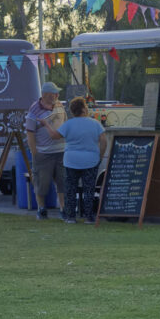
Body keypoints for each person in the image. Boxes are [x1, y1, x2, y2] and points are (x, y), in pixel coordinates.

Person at [41, 96, 106, 224]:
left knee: (70, 189)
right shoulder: (95, 123)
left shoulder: (68, 124)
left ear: (72, 111)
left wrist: (46, 124)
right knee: (89, 189)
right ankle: (89, 217)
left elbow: (54, 136)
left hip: (71, 161)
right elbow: (104, 141)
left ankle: (70, 217)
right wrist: (100, 156)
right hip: (91, 160)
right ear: (84, 109)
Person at [24, 81, 65, 220]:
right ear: (46, 95)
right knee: (42, 183)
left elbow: (65, 122)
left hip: (61, 151)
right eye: (55, 93)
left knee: (62, 182)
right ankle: (41, 209)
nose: (57, 95)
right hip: (44, 153)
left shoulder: (59, 105)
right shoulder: (34, 110)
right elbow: (30, 133)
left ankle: (63, 208)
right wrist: (35, 153)